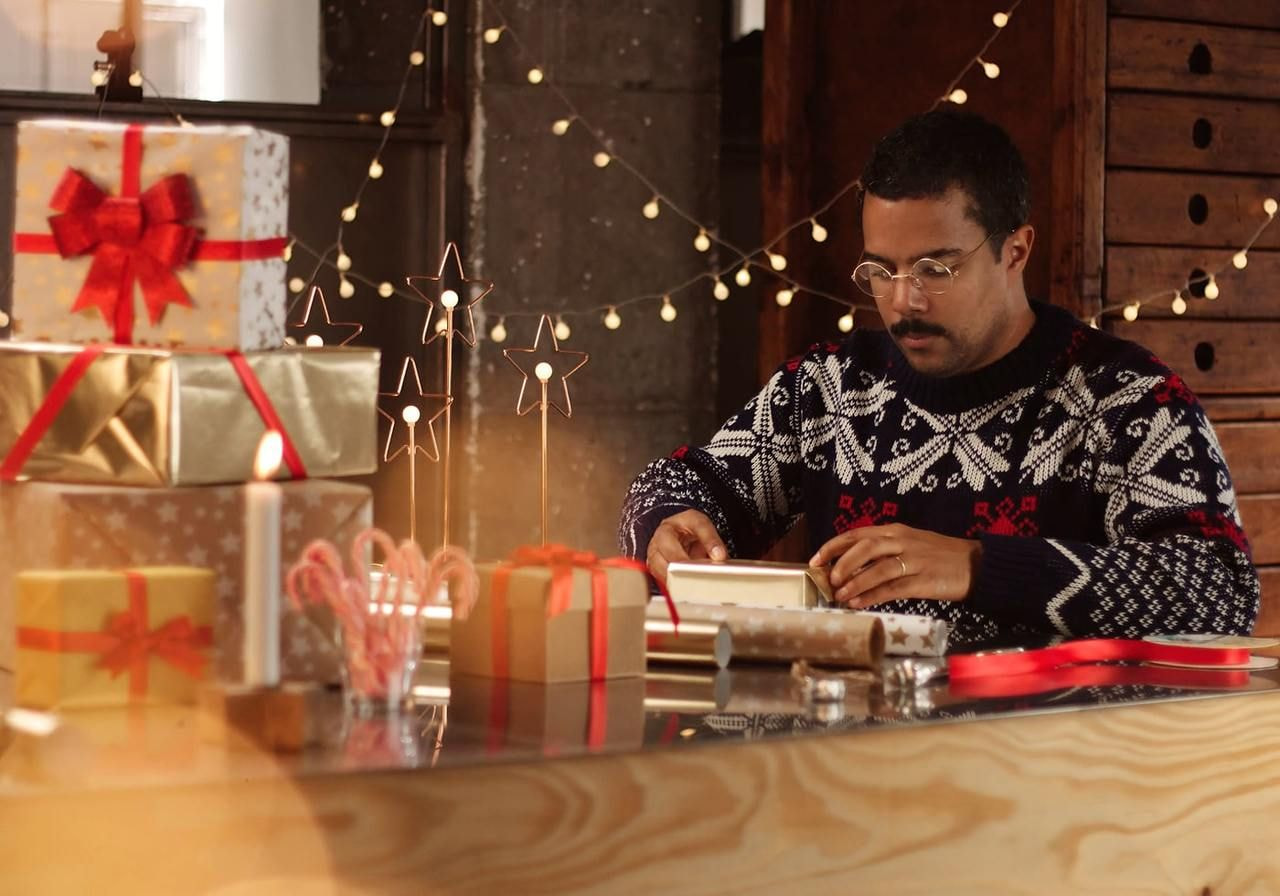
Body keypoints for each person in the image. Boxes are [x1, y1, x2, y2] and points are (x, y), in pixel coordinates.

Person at [618, 107, 1259, 647]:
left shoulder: (1127, 400)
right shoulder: (827, 391)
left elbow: (1219, 590)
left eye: (936, 268)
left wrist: (978, 566)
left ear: (1017, 250)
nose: (904, 300)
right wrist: (668, 524)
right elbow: (675, 482)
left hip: (1056, 772)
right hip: (845, 765)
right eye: (882, 270)